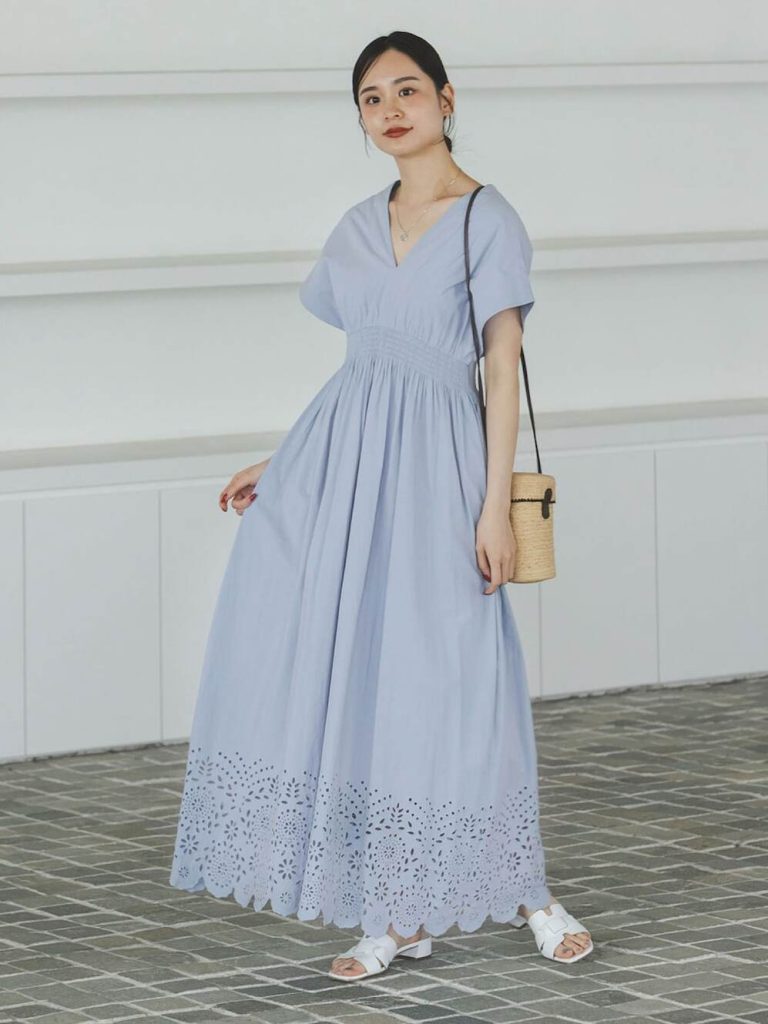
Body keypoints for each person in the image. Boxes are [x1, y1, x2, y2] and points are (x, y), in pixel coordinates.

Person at [168, 30, 593, 981]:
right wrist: (285, 463)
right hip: (346, 474)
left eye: (407, 90)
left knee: (457, 681)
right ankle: (396, 912)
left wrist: (493, 507)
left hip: (442, 473)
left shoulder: (488, 220)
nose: (391, 110)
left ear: (446, 98)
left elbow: (499, 371)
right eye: (371, 98)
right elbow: (360, 373)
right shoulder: (357, 226)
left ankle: (530, 892)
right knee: (366, 678)